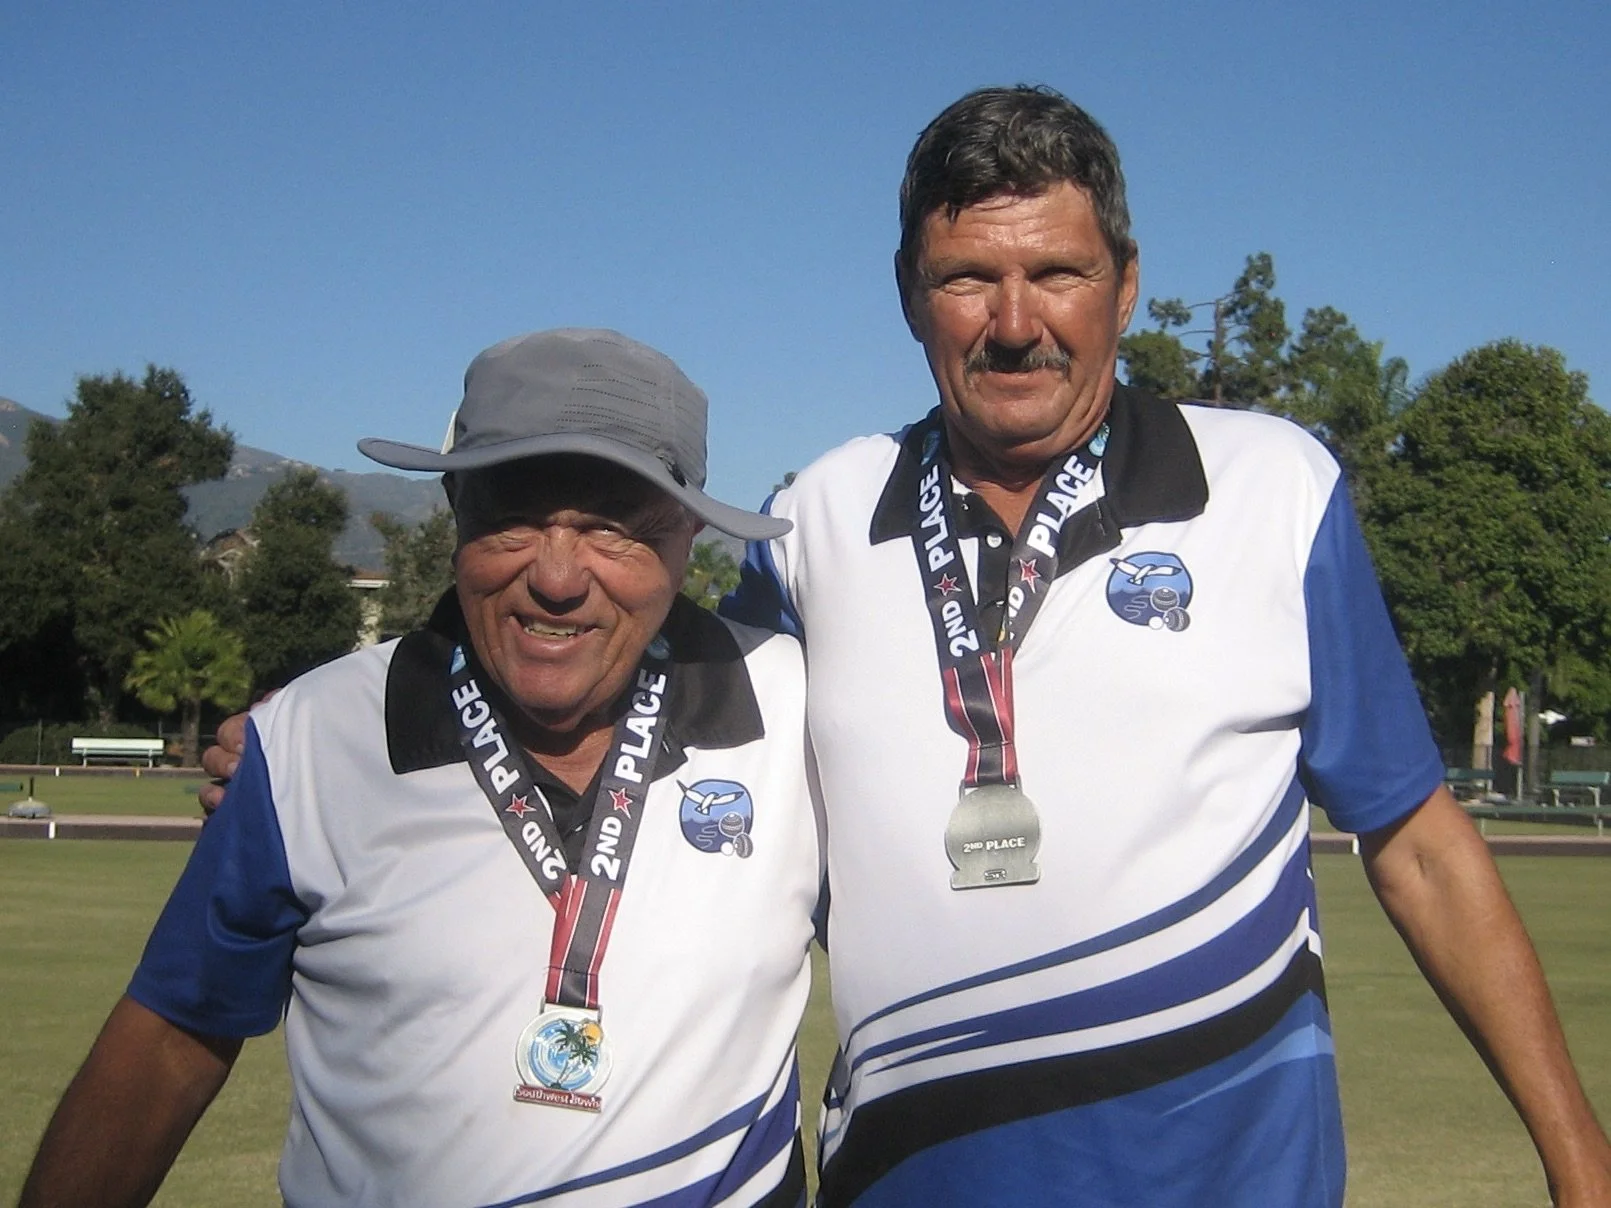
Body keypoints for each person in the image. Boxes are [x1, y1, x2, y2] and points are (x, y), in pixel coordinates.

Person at [718, 87, 1611, 1205]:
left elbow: (1419, 844)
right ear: (909, 295)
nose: (1013, 320)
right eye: (966, 277)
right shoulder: (807, 525)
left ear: (1125, 285)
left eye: (1058, 272)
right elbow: (722, 885)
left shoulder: (1272, 489)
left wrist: (1582, 1158)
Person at [20, 329, 823, 1208]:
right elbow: (172, 1039)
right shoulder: (309, 742)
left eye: (611, 526)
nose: (557, 577)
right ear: (454, 511)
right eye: (513, 513)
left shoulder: (799, 711)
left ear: (685, 538)